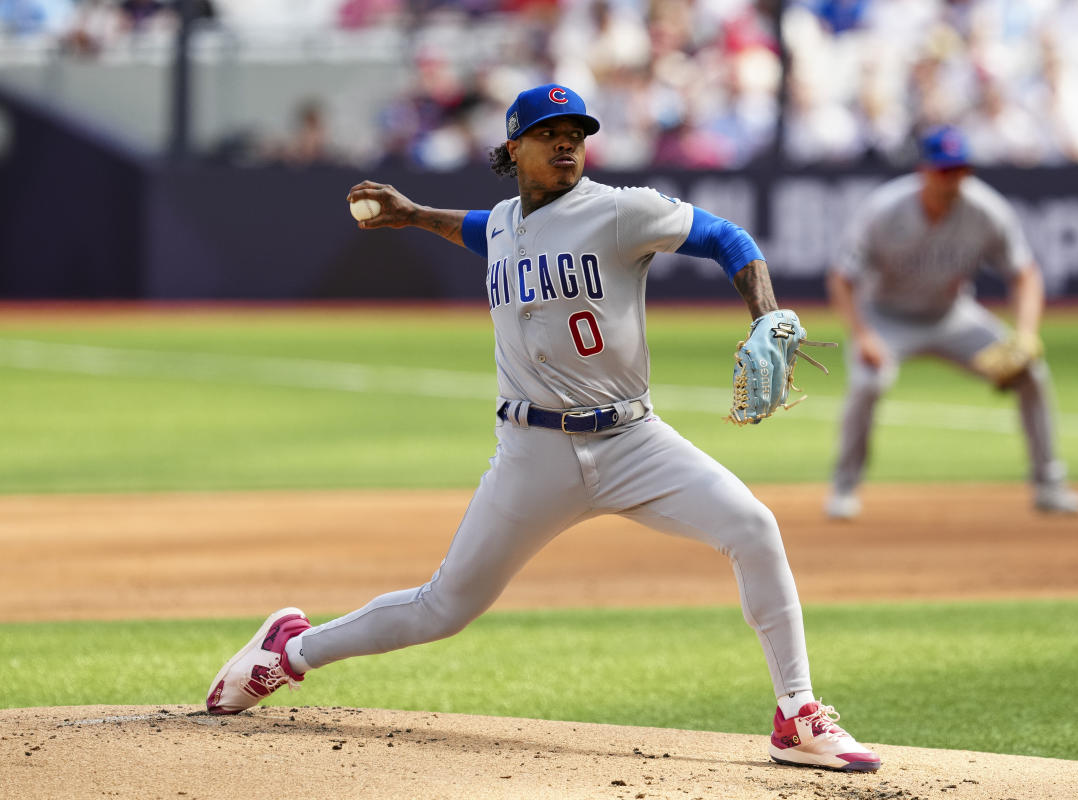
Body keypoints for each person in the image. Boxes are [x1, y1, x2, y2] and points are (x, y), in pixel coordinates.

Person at [205, 83, 881, 773]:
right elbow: (477, 228)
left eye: (577, 133)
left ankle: (796, 714)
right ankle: (287, 651)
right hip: (533, 456)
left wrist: (762, 310)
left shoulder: (619, 211)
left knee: (754, 527)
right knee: (442, 608)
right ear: (513, 148)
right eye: (549, 131)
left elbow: (725, 237)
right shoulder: (502, 223)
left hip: (632, 442)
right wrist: (413, 215)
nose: (567, 142)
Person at [823, 125, 1078, 520]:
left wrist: (1026, 334)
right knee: (868, 381)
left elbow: (1025, 274)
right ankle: (844, 488)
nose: (952, 179)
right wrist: (863, 336)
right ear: (924, 171)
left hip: (951, 316)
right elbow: (842, 279)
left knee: (1031, 372)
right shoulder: (885, 209)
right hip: (886, 317)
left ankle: (1049, 485)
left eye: (960, 169)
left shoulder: (985, 210)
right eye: (944, 170)